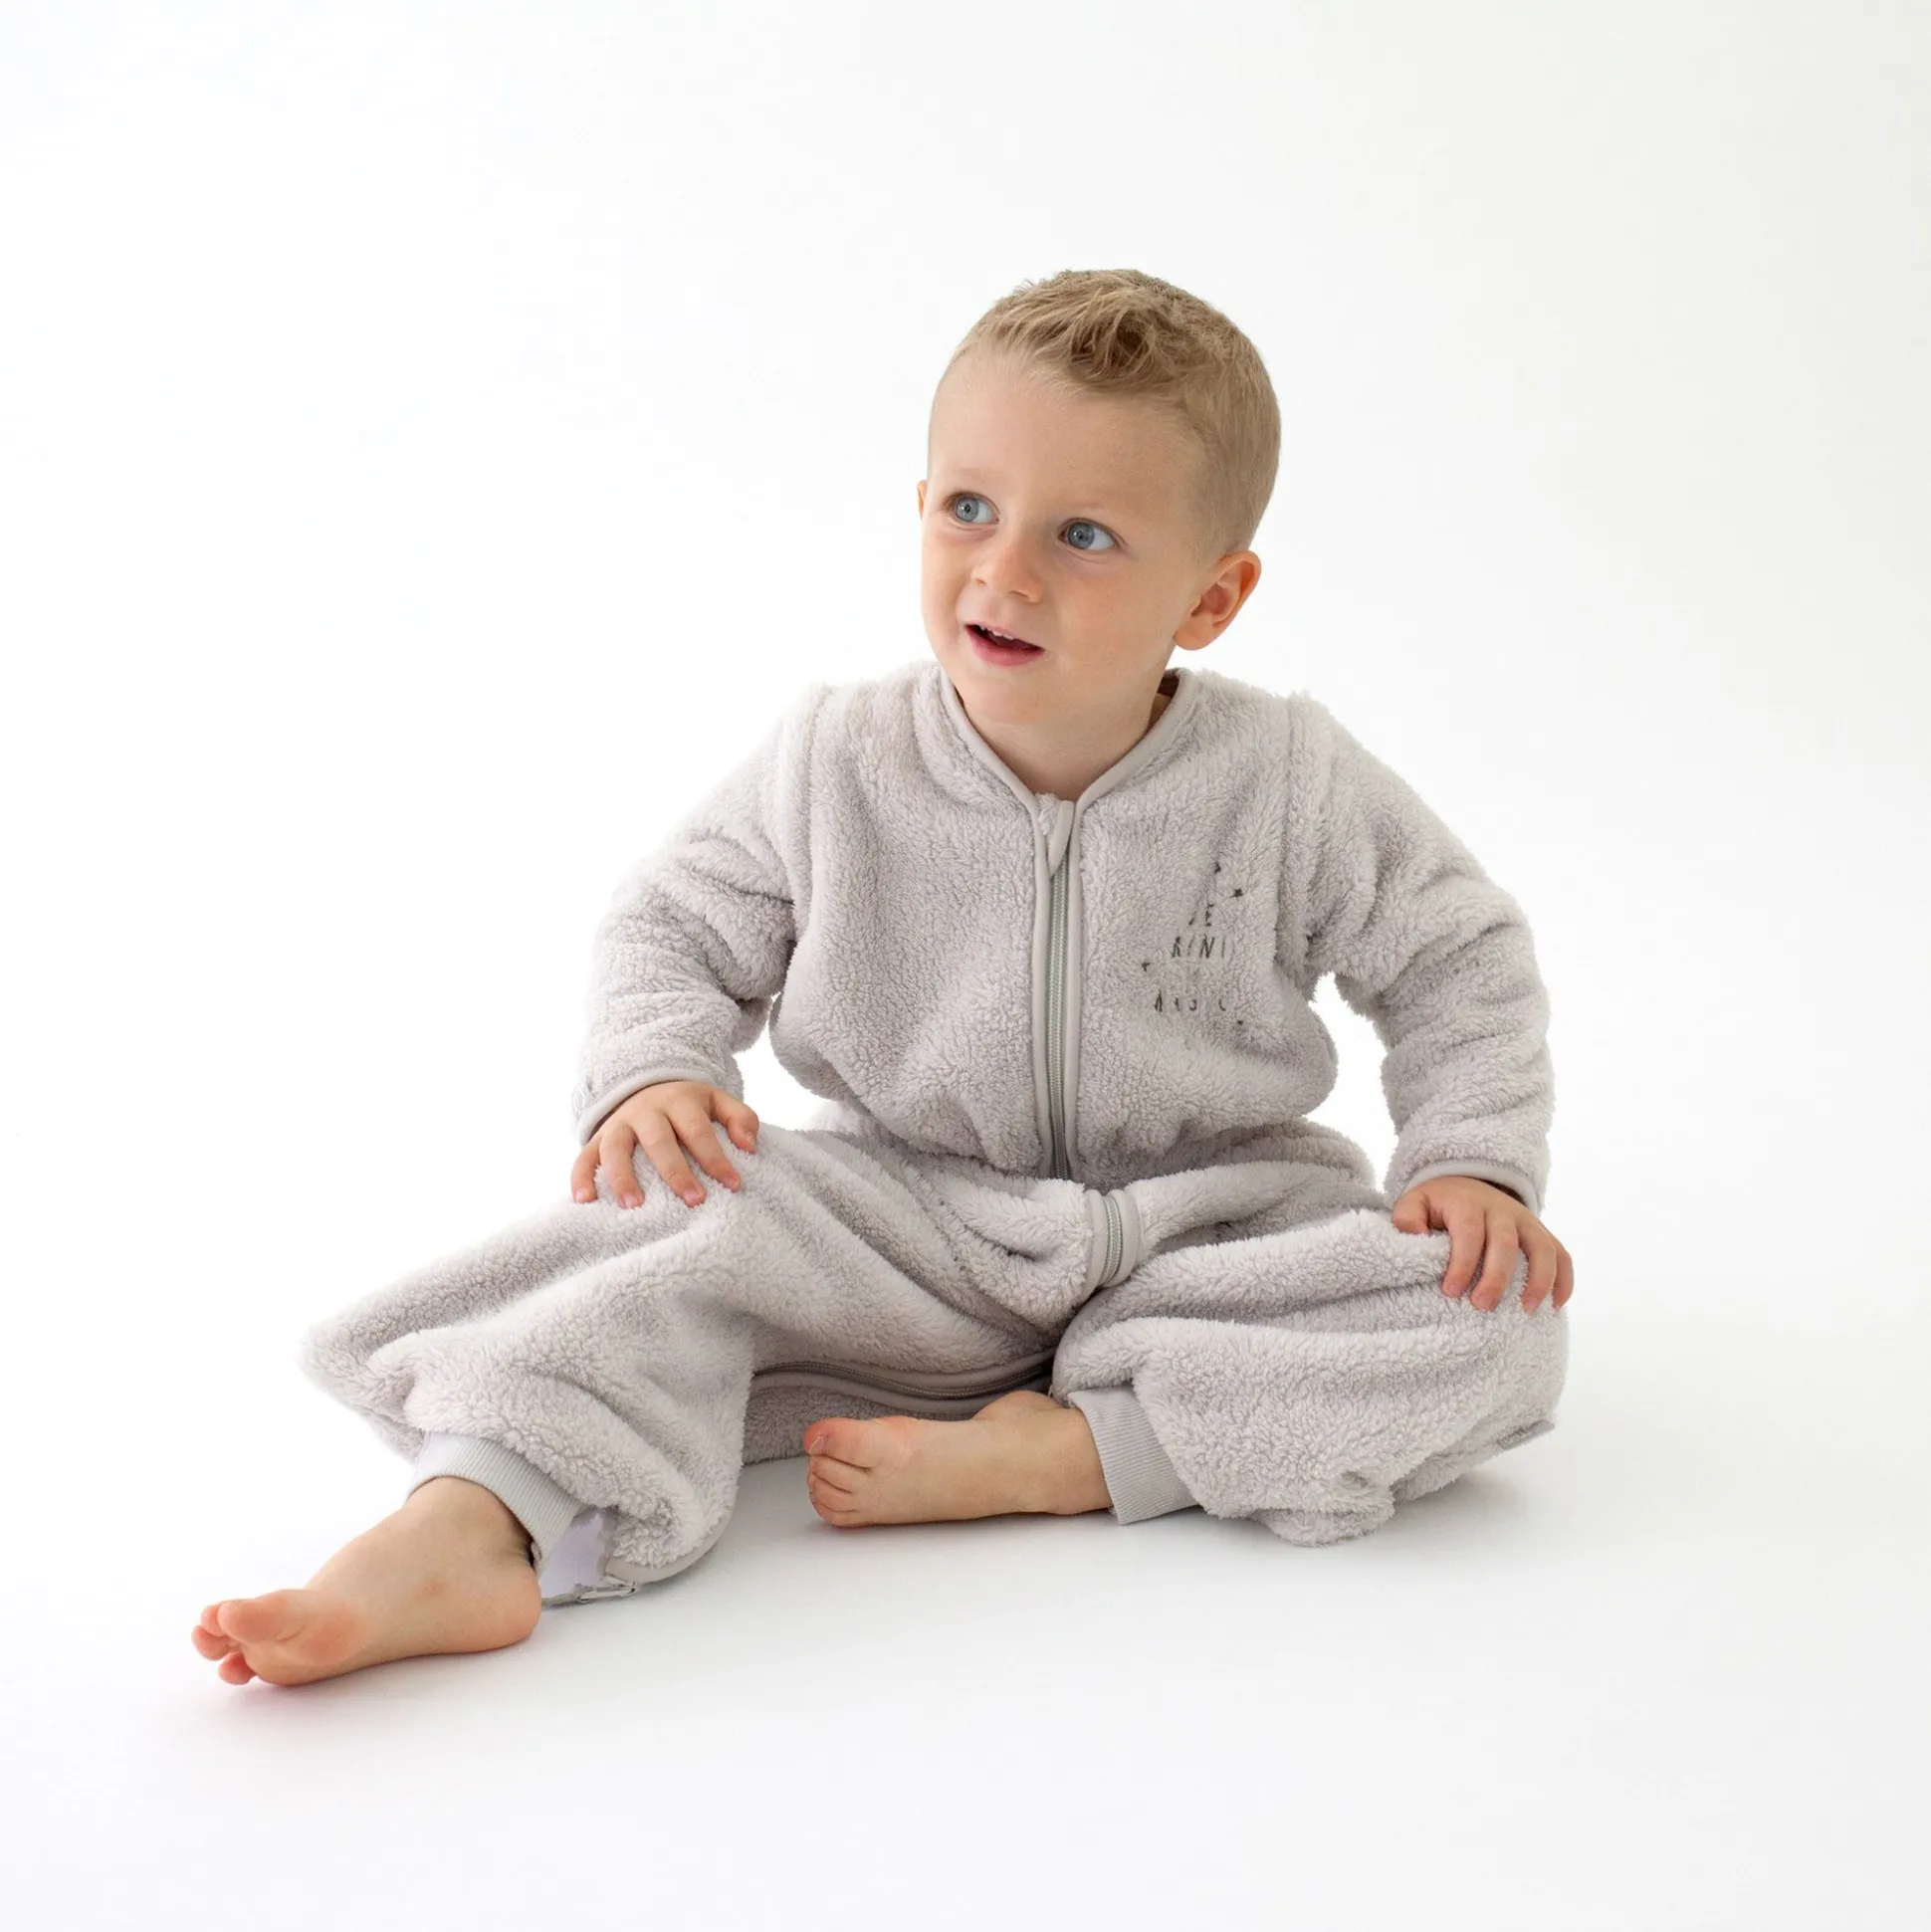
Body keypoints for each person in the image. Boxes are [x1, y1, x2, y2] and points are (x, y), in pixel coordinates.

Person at [192, 268, 1575, 1689]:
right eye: (970, 507)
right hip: (905, 1223)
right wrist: (658, 1070)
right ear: (920, 505)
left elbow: (1456, 956)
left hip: (1213, 1229)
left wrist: (1471, 1164)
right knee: (667, 1226)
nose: (1005, 572)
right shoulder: (838, 760)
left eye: (1084, 535)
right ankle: (476, 1522)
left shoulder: (1289, 783)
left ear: (1211, 597)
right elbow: (673, 920)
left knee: (1497, 1319)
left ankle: (1081, 1449)